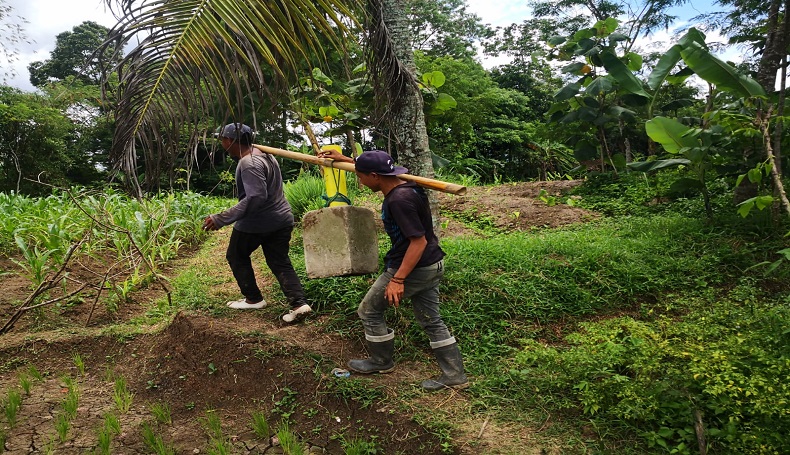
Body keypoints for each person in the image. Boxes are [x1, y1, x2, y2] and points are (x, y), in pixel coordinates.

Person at [317, 148, 468, 391]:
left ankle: (381, 361)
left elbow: (417, 242)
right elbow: (372, 168)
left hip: (413, 266)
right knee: (431, 320)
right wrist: (347, 159)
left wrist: (397, 279)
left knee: (369, 310)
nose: (360, 180)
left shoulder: (399, 200)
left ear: (375, 176)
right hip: (432, 263)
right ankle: (455, 374)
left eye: (360, 176)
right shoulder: (407, 184)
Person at [203, 123, 311, 323]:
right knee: (279, 261)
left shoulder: (249, 163)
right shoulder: (265, 155)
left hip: (258, 222)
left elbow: (255, 198)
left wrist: (221, 218)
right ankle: (299, 303)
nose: (222, 143)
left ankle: (253, 299)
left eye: (222, 140)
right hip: (282, 219)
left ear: (229, 141)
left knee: (236, 255)